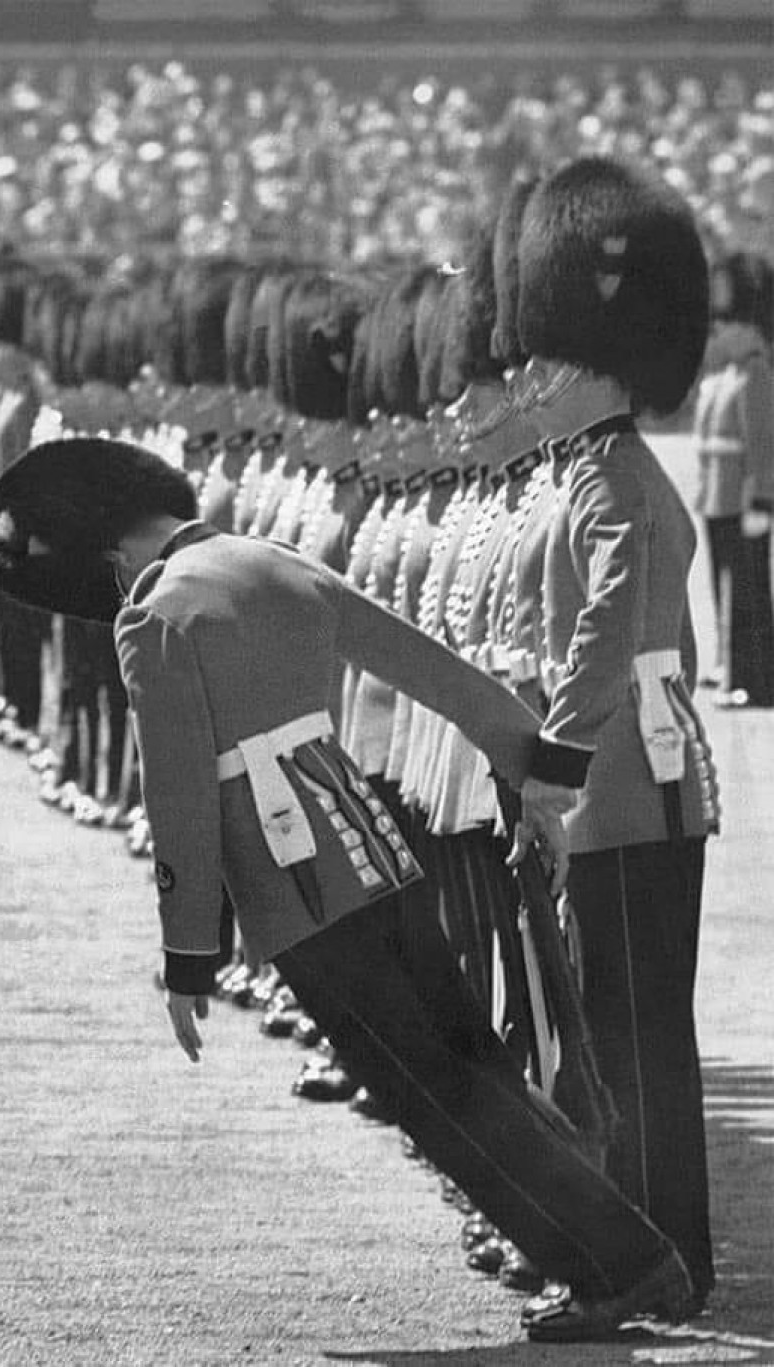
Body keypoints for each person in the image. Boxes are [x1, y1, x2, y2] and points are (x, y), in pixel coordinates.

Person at [0, 433, 696, 1343]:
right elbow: (437, 672)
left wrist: (188, 953)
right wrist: (539, 770)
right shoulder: (273, 560)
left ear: (108, 555)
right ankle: (628, 1256)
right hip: (379, 851)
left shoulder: (152, 616)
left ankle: (616, 1268)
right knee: (476, 1066)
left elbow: (183, 800)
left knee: (433, 1096)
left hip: (296, 892)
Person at [513, 155, 721, 1318]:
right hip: (623, 778)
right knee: (621, 1028)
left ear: (596, 361)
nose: (528, 379)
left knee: (629, 1034)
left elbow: (601, 637)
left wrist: (550, 758)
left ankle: (649, 1258)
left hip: (624, 782)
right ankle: (658, 1253)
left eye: (546, 357)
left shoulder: (617, 484)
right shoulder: (597, 471)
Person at [693, 250, 774, 708]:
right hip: (718, 498)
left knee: (748, 595)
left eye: (728, 320)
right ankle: (730, 665)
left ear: (750, 325)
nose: (719, 329)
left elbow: (761, 444)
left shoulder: (756, 373)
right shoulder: (724, 375)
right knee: (724, 590)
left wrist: (761, 502)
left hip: (743, 502)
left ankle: (755, 678)